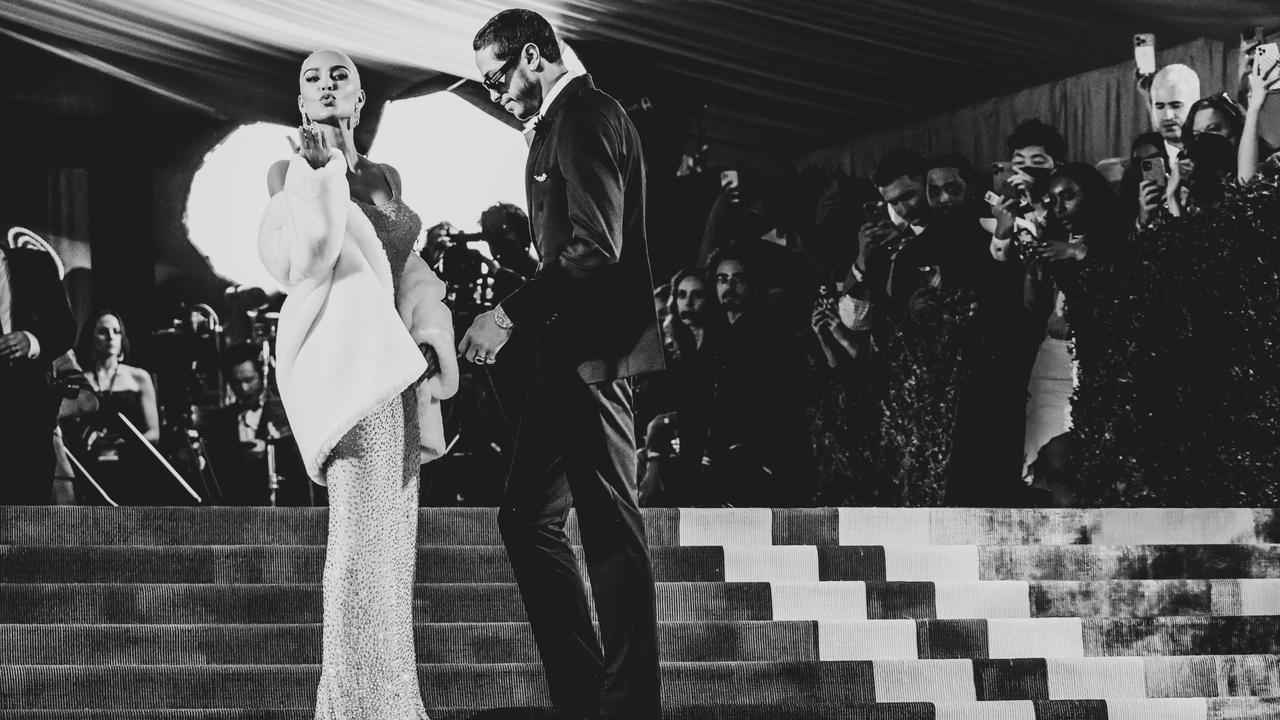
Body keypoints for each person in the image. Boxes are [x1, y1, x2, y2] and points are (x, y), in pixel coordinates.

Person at [462, 10, 664, 719]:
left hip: (592, 360)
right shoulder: (561, 122)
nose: (492, 92)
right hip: (566, 361)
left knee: (611, 534)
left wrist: (507, 310)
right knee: (524, 519)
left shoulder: (585, 115)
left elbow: (595, 249)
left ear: (531, 57)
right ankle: (584, 696)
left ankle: (629, 707)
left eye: (495, 76)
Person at [257, 49, 458, 719]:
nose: (326, 84)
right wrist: (317, 173)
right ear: (301, 99)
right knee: (359, 539)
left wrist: (430, 334)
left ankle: (391, 700)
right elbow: (303, 261)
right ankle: (353, 705)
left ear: (361, 96)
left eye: (338, 74)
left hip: (399, 371)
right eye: (312, 77)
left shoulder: (386, 175)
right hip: (350, 371)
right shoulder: (293, 170)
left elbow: (409, 268)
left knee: (392, 544)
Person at [0, 243, 75, 503]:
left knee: (28, 520)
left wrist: (32, 341)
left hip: (27, 419)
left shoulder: (35, 264)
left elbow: (65, 328)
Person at [69, 309, 163, 505]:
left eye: (116, 331)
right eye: (103, 331)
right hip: (90, 467)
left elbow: (154, 432)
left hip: (132, 466)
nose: (111, 337)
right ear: (91, 337)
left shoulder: (139, 377)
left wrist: (126, 445)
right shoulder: (80, 379)